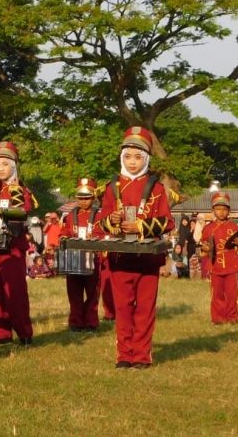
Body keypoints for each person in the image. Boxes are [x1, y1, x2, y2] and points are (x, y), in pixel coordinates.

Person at [95, 127, 173, 369]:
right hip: (120, 257)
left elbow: (168, 222)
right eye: (128, 156)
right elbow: (100, 224)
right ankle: (124, 355)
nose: (132, 162)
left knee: (145, 307)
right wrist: (113, 221)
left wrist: (140, 226)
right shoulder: (112, 187)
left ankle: (141, 355)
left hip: (148, 259)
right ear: (121, 158)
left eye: (138, 157)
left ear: (146, 159)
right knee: (123, 307)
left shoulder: (157, 188)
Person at [0, 141, 36, 345]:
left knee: (15, 291)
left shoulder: (21, 189)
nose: (1, 169)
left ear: (14, 165)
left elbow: (23, 210)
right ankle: (1, 333)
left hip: (13, 246)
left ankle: (24, 332)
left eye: (5, 164)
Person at [60, 177, 101, 332]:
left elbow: (104, 233)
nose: (83, 201)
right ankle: (76, 322)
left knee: (92, 293)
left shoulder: (100, 215)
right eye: (80, 198)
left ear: (94, 197)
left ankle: (91, 322)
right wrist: (63, 237)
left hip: (92, 258)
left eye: (87, 198)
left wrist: (96, 237)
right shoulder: (70, 216)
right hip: (74, 258)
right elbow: (64, 231)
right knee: (74, 292)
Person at [200, 192, 238, 324]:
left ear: (228, 211)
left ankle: (232, 317)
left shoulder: (234, 227)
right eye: (218, 209)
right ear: (213, 210)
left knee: (232, 293)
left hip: (231, 264)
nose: (221, 212)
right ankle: (218, 318)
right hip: (215, 265)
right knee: (217, 293)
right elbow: (203, 247)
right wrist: (205, 248)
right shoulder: (208, 229)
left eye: (224, 209)